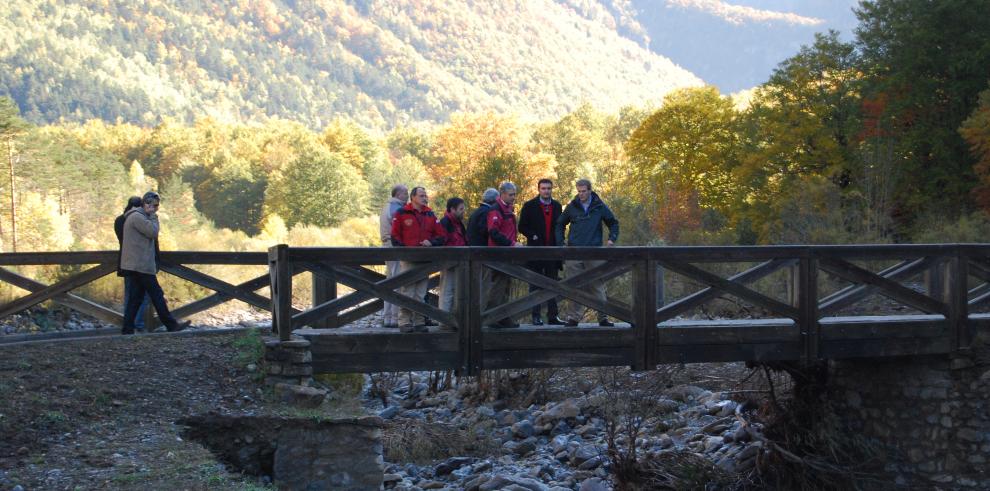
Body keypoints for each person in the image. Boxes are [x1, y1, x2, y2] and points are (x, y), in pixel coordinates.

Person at [120, 191, 190, 335]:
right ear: (145, 204)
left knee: (136, 298)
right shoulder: (138, 217)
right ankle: (171, 325)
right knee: (156, 295)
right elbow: (153, 232)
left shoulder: (136, 217)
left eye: (157, 206)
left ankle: (127, 329)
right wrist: (153, 216)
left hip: (136, 264)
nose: (155, 208)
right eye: (153, 205)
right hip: (141, 265)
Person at [555, 179, 620, 327]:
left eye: (584, 191)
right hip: (574, 252)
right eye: (579, 191)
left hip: (594, 252)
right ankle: (574, 318)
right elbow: (560, 224)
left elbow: (613, 222)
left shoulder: (599, 206)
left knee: (597, 285)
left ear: (590, 190)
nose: (581, 194)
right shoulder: (572, 207)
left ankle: (603, 317)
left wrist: (612, 239)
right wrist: (561, 243)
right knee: (573, 286)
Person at [390, 186, 446, 333]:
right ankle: (404, 322)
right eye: (421, 195)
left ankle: (419, 322)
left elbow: (441, 236)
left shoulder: (430, 214)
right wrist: (407, 251)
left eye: (425, 195)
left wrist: (431, 242)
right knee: (407, 291)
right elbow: (395, 237)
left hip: (425, 260)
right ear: (413, 197)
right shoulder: (402, 213)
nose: (425, 197)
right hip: (409, 260)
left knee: (421, 293)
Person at [517, 178, 564, 326]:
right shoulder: (530, 206)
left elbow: (560, 226)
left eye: (549, 188)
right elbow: (522, 226)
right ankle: (536, 316)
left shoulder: (557, 206)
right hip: (536, 251)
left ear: (552, 189)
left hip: (553, 251)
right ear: (538, 189)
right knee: (535, 284)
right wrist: (533, 235)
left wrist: (560, 241)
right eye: (543, 188)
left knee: (553, 284)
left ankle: (552, 316)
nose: (546, 191)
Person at [486, 182, 524, 328]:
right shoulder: (496, 210)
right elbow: (494, 232)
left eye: (514, 194)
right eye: (511, 194)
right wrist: (511, 244)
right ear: (502, 194)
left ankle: (503, 317)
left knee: (506, 286)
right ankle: (492, 318)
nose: (514, 197)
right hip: (498, 254)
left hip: (507, 254)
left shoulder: (507, 209)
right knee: (497, 287)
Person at [115, 196, 151, 331]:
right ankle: (138, 324)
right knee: (144, 295)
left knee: (130, 295)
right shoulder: (140, 219)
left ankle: (128, 325)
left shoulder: (119, 220)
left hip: (124, 262)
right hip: (140, 262)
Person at [379, 184, 408, 328]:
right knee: (397, 282)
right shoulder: (397, 208)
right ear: (398, 194)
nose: (407, 195)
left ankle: (388, 317)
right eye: (405, 193)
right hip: (394, 246)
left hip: (387, 245)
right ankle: (395, 318)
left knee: (390, 282)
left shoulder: (387, 206)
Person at [437, 197, 467, 325]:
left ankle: (454, 320)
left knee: (457, 292)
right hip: (449, 263)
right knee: (447, 291)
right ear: (452, 209)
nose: (463, 211)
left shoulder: (458, 223)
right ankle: (444, 321)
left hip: (460, 263)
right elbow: (442, 241)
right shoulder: (445, 223)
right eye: (461, 209)